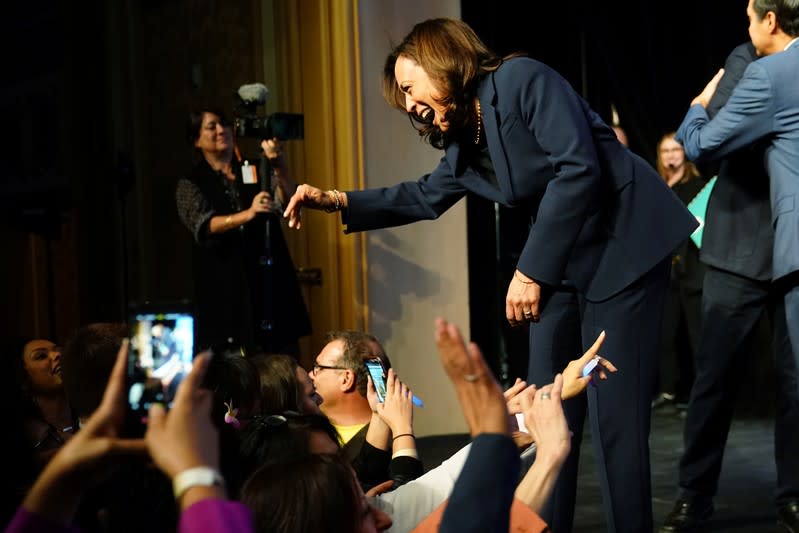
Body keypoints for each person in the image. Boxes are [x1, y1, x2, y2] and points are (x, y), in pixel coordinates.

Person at [282, 17, 697, 533]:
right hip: (564, 267)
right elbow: (422, 196)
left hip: (623, 251)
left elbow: (579, 168)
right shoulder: (462, 145)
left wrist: (529, 270)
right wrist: (336, 199)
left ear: (442, 61)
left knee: (617, 424)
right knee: (545, 410)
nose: (410, 105)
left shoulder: (522, 81)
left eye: (411, 89)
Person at [664, 0, 799, 528]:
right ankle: (694, 492)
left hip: (789, 251)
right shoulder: (748, 61)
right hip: (738, 250)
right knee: (714, 382)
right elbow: (710, 147)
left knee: (794, 385)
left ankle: (792, 492)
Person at [5, 341, 253, 533]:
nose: (54, 356)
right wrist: (198, 476)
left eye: (57, 350)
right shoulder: (25, 438)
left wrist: (62, 484)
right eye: (41, 356)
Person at [175, 108, 311, 357]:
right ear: (196, 140)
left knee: (285, 365)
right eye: (212, 126)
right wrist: (248, 214)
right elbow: (203, 225)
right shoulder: (191, 182)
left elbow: (287, 202)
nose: (221, 131)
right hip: (226, 289)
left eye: (225, 124)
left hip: (269, 284)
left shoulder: (253, 167)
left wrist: (279, 165)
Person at [653, 132, 707, 410]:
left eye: (675, 150)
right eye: (665, 151)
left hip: (694, 272)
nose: (671, 155)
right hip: (666, 274)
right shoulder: (657, 187)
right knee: (667, 335)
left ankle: (699, 396)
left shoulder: (697, 186)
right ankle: (669, 391)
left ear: (685, 153)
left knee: (697, 338)